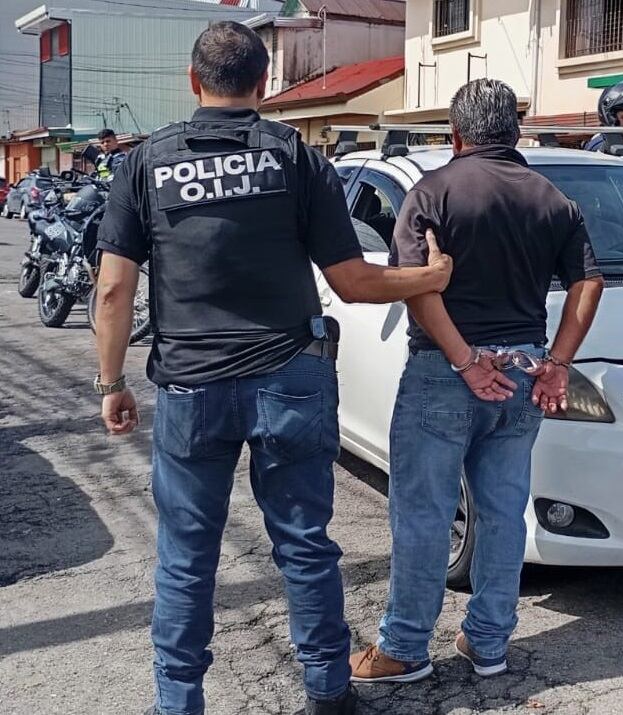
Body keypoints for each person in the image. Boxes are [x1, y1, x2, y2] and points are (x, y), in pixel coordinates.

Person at [93, 21, 452, 715]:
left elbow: (113, 290)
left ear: (193, 82)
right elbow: (351, 280)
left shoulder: (146, 163)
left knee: (186, 557)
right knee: (304, 545)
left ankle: (178, 701)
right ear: (264, 85)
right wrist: (428, 276)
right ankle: (326, 690)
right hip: (290, 376)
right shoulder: (295, 154)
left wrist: (111, 383)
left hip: (192, 386)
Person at [348, 78, 604, 683]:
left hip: (446, 374)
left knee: (424, 515)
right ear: (514, 132)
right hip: (522, 374)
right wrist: (558, 362)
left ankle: (405, 649)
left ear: (456, 135)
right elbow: (587, 283)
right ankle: (488, 643)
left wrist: (464, 358)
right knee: (502, 512)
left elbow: (419, 289)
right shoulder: (553, 200)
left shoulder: (431, 192)